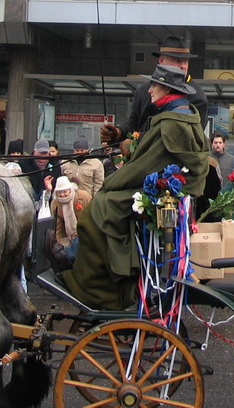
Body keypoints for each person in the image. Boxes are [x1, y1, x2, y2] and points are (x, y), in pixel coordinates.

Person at [63, 64, 209, 309]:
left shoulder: (170, 124)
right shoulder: (184, 115)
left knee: (97, 210)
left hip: (158, 194)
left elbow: (141, 168)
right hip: (165, 190)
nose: (149, 90)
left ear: (167, 88)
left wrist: (110, 183)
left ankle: (95, 288)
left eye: (154, 85)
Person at [99, 36, 208, 145]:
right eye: (177, 60)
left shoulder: (196, 96)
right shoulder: (143, 90)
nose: (183, 66)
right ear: (161, 61)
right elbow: (134, 125)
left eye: (186, 61)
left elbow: (185, 138)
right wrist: (118, 133)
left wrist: (135, 142)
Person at [48, 175, 91, 270]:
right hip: (67, 235)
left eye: (64, 191)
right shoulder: (55, 204)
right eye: (59, 192)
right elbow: (57, 227)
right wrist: (60, 243)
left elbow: (92, 217)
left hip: (84, 231)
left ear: (70, 190)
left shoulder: (84, 196)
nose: (62, 194)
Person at [71, 136, 105, 201]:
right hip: (70, 199)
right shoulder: (65, 162)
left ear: (87, 150)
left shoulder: (96, 163)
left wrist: (95, 201)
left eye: (82, 150)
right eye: (77, 150)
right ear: (73, 150)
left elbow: (99, 184)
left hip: (88, 200)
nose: (79, 152)